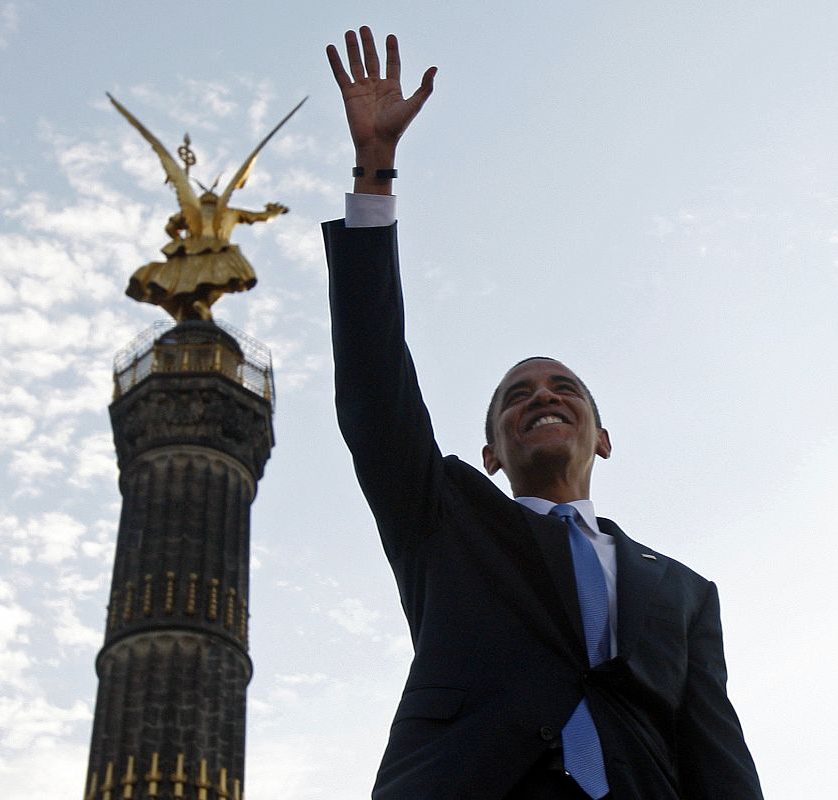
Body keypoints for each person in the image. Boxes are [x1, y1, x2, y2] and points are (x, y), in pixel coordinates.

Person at [322, 26, 764, 800]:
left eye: (564, 387)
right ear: (491, 453)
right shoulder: (443, 519)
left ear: (604, 437)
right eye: (517, 395)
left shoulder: (684, 593)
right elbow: (372, 379)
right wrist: (375, 172)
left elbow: (716, 760)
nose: (543, 396)